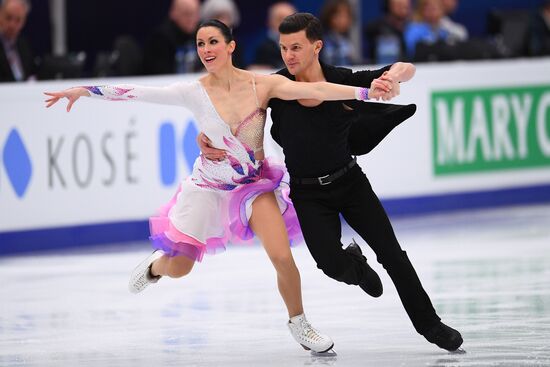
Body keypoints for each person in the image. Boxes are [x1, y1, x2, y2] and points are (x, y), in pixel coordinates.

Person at [44, 19, 391, 354]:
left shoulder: (261, 85)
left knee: (282, 256)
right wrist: (85, 91)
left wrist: (363, 91)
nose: (206, 50)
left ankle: (299, 323)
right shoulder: (192, 92)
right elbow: (137, 93)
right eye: (200, 44)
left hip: (254, 186)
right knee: (179, 268)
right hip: (208, 188)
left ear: (230, 46)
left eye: (213, 42)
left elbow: (314, 89)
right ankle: (155, 267)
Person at [199, 12, 464, 352]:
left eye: (296, 47)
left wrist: (393, 79)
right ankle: (355, 266)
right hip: (309, 194)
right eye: (283, 48)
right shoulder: (276, 88)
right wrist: (205, 138)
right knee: (330, 265)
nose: (288, 56)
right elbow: (229, 110)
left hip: (351, 184)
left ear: (317, 46)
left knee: (393, 255)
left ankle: (431, 325)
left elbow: (404, 68)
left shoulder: (342, 80)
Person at [142, 0, 203, 75]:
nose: (191, 19)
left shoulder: (201, 34)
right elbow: (160, 76)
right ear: (173, 13)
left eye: (195, 14)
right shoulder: (160, 39)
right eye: (186, 14)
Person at [250, 1, 296, 70]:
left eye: (291, 20)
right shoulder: (262, 48)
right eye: (280, 19)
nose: (286, 24)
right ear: (269, 21)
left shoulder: (304, 46)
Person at [201, 0, 245, 68]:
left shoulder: (236, 45)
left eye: (225, 17)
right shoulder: (201, 44)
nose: (221, 21)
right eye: (217, 17)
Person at [364, 0, 411, 64]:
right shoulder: (377, 28)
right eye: (399, 4)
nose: (403, 7)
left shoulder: (415, 27)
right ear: (388, 5)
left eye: (405, 6)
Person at [0, 0, 35, 82]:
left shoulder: (24, 45)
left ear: (24, 21)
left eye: (18, 20)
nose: (12, 25)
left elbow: (31, 73)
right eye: (8, 17)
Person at [319, 0, 360, 66]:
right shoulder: (322, 42)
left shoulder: (347, 43)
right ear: (330, 16)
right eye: (339, 15)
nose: (344, 20)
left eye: (346, 16)